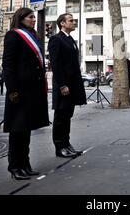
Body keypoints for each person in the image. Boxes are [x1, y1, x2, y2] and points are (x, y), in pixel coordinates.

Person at [2, 7, 50, 180]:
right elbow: (8, 65)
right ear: (21, 18)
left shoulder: (33, 36)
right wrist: (12, 90)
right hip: (20, 90)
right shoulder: (13, 35)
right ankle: (15, 166)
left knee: (26, 130)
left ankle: (25, 164)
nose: (33, 20)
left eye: (33, 17)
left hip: (32, 90)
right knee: (17, 130)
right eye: (30, 17)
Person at [48, 13, 86, 158]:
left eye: (74, 20)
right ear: (62, 23)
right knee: (61, 117)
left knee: (67, 116)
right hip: (63, 85)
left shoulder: (70, 40)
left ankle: (66, 144)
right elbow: (56, 64)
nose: (74, 22)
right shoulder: (56, 39)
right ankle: (59, 147)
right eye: (71, 20)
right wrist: (62, 85)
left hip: (73, 84)